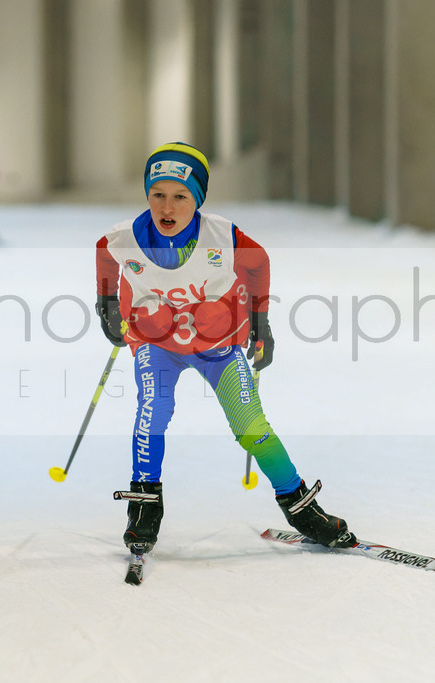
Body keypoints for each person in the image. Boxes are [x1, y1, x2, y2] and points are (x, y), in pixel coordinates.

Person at [95, 142, 357, 557]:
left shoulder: (222, 236)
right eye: (157, 194)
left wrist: (260, 321)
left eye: (180, 196)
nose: (167, 207)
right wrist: (107, 302)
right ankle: (145, 505)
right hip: (156, 343)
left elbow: (259, 262)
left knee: (251, 426)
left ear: (197, 199)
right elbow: (105, 254)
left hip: (217, 345)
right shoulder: (124, 238)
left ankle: (300, 507)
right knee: (153, 411)